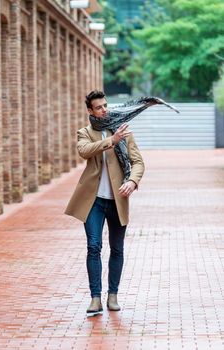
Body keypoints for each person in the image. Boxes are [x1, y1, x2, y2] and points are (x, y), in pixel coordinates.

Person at [65, 90, 146, 317]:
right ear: (90, 111)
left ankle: (113, 295)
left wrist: (132, 181)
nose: (104, 110)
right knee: (93, 246)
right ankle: (95, 298)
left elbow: (138, 162)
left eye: (105, 105)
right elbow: (84, 152)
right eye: (99, 107)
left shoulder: (123, 130)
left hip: (118, 200)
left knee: (117, 248)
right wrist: (112, 141)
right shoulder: (85, 133)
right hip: (93, 201)